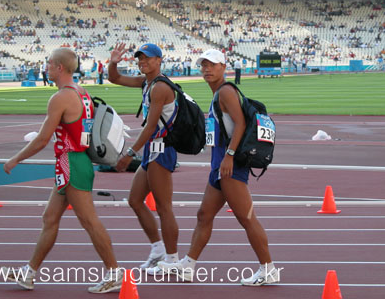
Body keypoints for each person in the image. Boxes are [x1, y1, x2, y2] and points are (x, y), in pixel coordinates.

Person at [2, 48, 124, 293]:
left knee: (89, 221)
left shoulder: (60, 98)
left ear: (59, 67)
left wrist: (15, 159)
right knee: (49, 218)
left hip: (71, 163)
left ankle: (114, 272)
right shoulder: (83, 93)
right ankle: (29, 272)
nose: (46, 68)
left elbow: (41, 140)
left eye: (48, 64)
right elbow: (84, 133)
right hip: (76, 161)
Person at [158, 49, 281, 286]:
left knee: (247, 218)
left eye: (212, 65)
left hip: (230, 166)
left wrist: (230, 156)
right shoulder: (218, 94)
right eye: (203, 65)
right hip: (220, 168)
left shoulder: (225, 91)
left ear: (224, 67)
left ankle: (269, 269)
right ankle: (188, 265)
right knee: (204, 215)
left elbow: (242, 123)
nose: (207, 69)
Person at [108, 42, 180, 275]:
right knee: (135, 200)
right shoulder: (146, 83)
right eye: (140, 58)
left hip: (162, 147)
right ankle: (158, 250)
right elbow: (115, 79)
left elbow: (150, 127)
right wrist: (113, 62)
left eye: (147, 58)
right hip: (152, 149)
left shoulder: (159, 87)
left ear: (159, 60)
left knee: (163, 207)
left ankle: (172, 260)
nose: (142, 62)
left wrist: (130, 154)